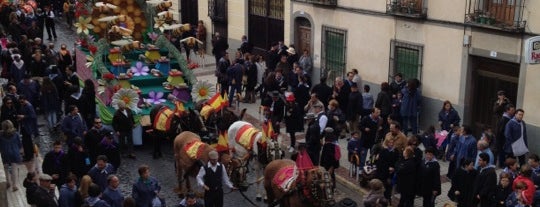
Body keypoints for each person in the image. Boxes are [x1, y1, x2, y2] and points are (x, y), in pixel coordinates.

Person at [0, 120, 22, 191]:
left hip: (5, 153)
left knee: (6, 168)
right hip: (14, 153)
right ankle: (14, 185)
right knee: (14, 169)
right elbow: (19, 144)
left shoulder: (0, 134)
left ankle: (8, 182)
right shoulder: (16, 134)